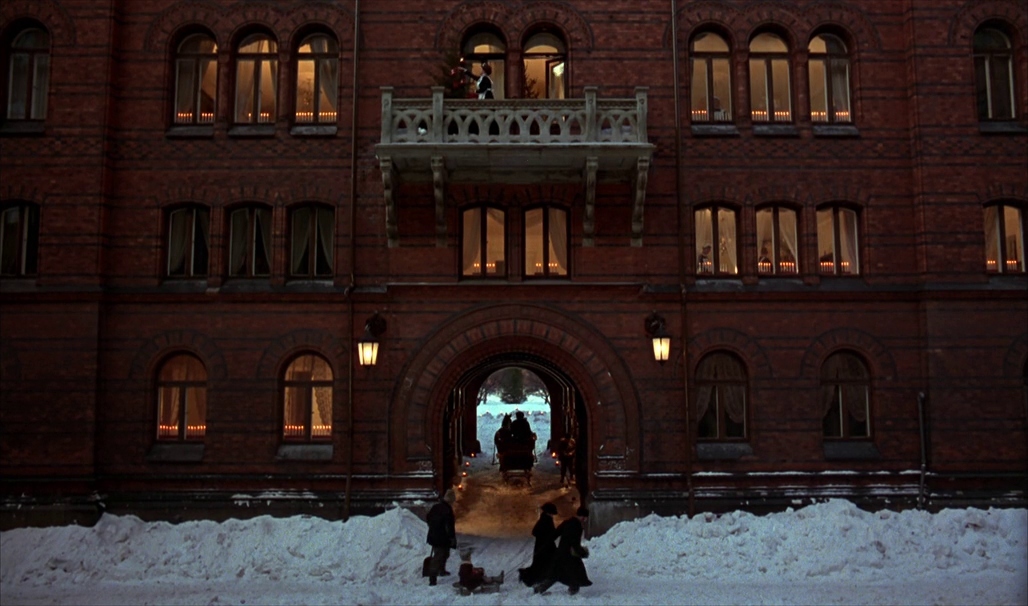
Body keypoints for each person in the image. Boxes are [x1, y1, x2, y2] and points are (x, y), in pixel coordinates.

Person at [533, 506, 593, 595]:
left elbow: (555, 534)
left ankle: (540, 588)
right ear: (583, 516)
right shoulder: (577, 526)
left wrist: (545, 543)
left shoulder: (567, 522)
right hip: (569, 554)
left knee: (556, 573)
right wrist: (582, 553)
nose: (585, 520)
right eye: (585, 518)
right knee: (577, 572)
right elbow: (574, 542)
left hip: (561, 552)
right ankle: (573, 590)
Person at [519, 502, 557, 586]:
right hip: (544, 546)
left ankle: (543, 577)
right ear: (548, 512)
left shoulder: (546, 519)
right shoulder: (545, 520)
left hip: (544, 545)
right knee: (541, 564)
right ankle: (528, 576)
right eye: (551, 513)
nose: (552, 515)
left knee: (542, 563)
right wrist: (545, 537)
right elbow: (536, 532)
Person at [425, 488, 457, 586]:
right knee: (439, 555)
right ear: (451, 500)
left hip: (434, 535)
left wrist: (433, 527)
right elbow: (449, 526)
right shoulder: (447, 510)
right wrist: (452, 538)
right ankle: (432, 578)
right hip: (442, 537)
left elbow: (428, 518)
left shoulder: (436, 507)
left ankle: (441, 570)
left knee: (444, 553)